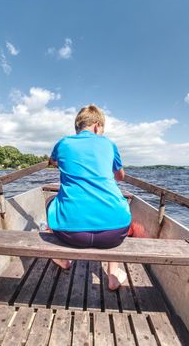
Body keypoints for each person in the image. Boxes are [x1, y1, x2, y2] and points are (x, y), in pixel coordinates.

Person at [47, 104, 131, 290]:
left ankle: (62, 259)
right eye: (102, 129)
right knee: (118, 208)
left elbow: (53, 162)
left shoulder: (63, 143)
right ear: (97, 126)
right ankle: (113, 275)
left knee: (50, 202)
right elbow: (120, 177)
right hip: (114, 234)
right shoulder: (109, 144)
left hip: (71, 235)